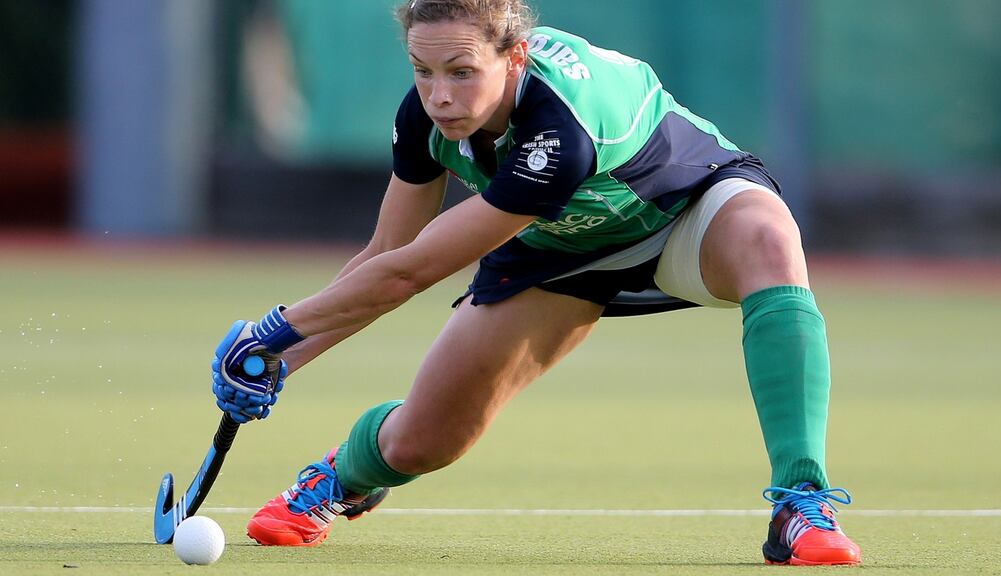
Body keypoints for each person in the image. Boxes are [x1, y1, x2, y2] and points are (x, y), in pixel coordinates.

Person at [210, 0, 862, 566]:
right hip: (560, 249)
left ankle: (801, 505)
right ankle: (344, 474)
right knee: (425, 442)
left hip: (684, 209)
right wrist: (284, 360)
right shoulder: (423, 120)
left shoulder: (560, 125)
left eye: (462, 72)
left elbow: (411, 273)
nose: (440, 96)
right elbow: (386, 252)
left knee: (770, 239)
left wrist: (277, 328)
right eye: (423, 70)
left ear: (515, 56)